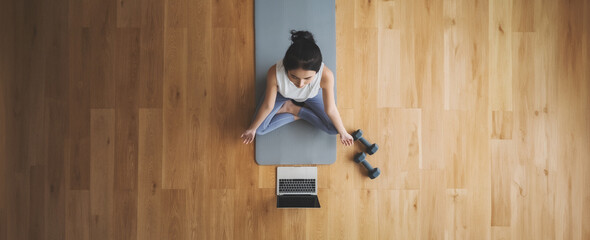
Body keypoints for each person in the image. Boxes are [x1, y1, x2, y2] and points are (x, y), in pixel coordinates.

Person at [241, 30, 353, 146]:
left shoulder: (326, 75)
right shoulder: (274, 73)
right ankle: (291, 107)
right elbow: (268, 105)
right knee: (259, 130)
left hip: (311, 96)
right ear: (286, 68)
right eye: (294, 77)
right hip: (282, 94)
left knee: (334, 129)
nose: (300, 84)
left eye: (307, 78)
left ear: (318, 71)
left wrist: (343, 133)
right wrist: (252, 129)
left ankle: (293, 109)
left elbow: (331, 109)